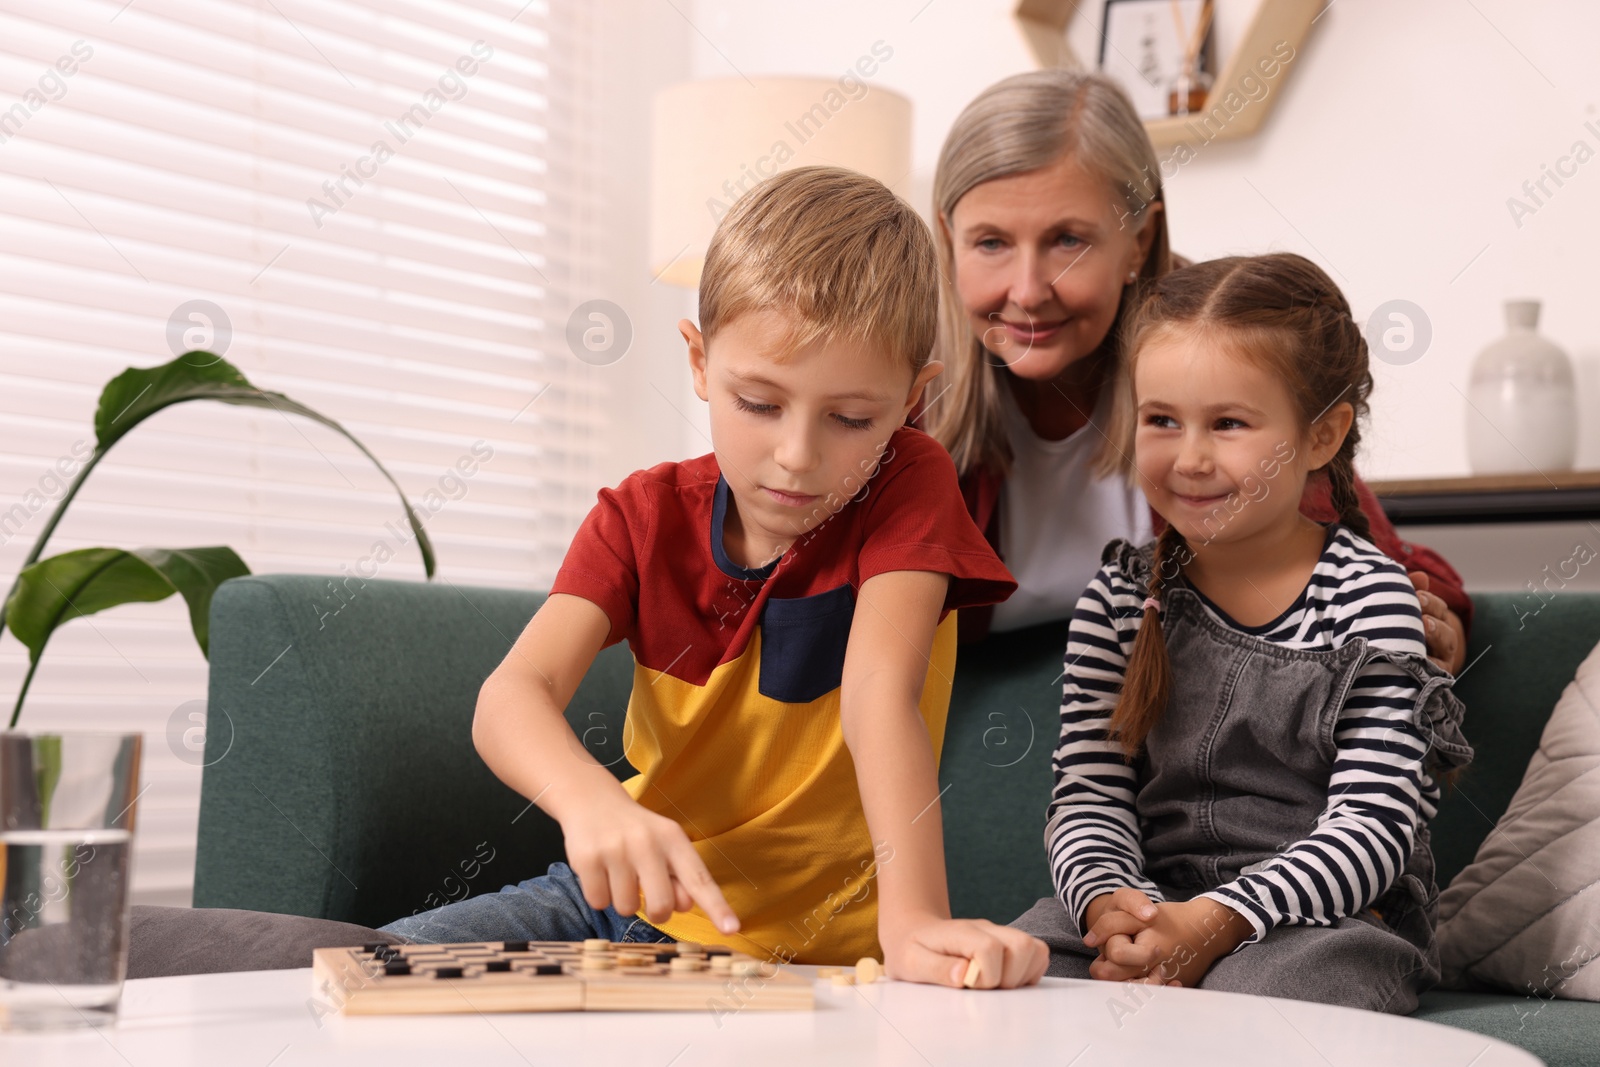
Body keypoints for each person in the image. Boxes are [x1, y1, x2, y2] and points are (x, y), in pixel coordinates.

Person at [380, 167, 1049, 988]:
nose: (799, 456)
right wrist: (592, 801)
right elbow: (510, 694)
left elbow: (881, 693)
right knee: (371, 970)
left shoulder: (909, 482)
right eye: (760, 403)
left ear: (912, 400)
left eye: (851, 418)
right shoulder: (640, 515)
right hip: (623, 909)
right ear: (699, 361)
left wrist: (913, 922)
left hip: (820, 959)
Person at [1010, 253, 1473, 1013]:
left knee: (1260, 1002)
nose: (1189, 458)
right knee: (1018, 977)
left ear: (1322, 436)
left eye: (1228, 423)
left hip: (1326, 922)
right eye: (1162, 420)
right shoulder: (1121, 597)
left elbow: (1376, 825)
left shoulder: (1371, 600)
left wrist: (1219, 921)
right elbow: (1088, 796)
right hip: (1158, 903)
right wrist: (1111, 906)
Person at [921, 69, 1471, 671]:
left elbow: (1386, 565)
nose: (1027, 291)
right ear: (948, 241)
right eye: (991, 243)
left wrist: (1429, 622)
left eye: (1068, 241)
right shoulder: (894, 394)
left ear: (1138, 240)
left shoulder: (1214, 348)